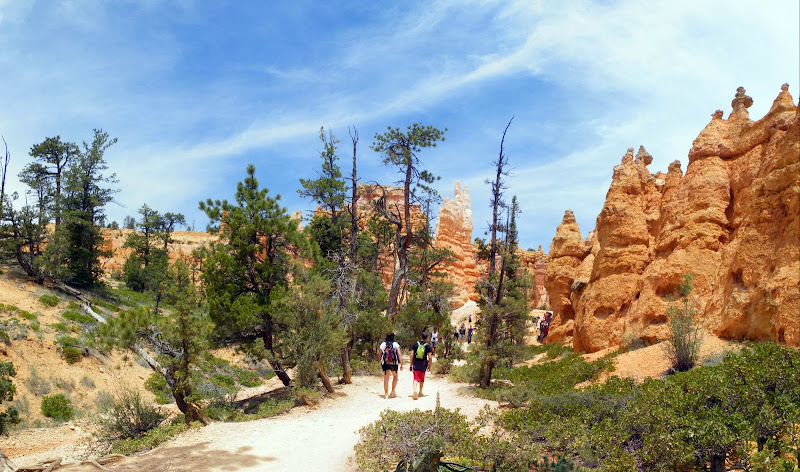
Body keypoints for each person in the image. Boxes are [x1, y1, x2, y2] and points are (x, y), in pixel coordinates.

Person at [379, 332, 403, 399]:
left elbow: (379, 355)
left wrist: (381, 361)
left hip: (385, 363)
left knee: (386, 378)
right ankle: (392, 391)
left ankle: (386, 394)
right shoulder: (395, 344)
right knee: (395, 377)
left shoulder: (383, 344)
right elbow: (399, 354)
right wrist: (401, 364)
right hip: (394, 363)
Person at [410, 331, 433, 400]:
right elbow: (430, 357)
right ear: (426, 338)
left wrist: (411, 364)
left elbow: (411, 355)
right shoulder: (428, 346)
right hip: (423, 363)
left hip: (416, 362)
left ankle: (414, 390)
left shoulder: (415, 344)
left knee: (416, 378)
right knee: (422, 378)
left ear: (421, 337)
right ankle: (420, 392)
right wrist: (430, 366)